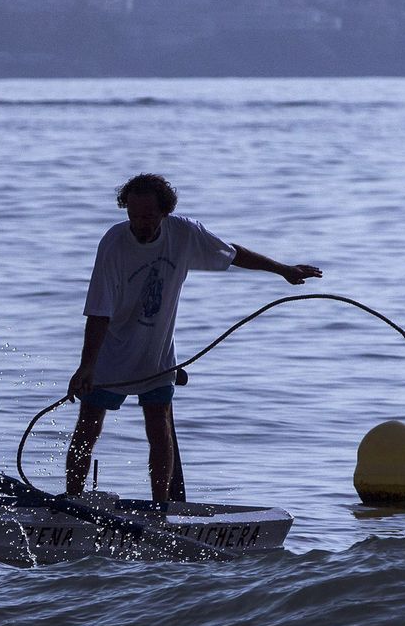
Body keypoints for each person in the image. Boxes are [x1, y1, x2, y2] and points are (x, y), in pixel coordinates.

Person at [64, 174, 323, 504]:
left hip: (156, 356)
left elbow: (232, 253)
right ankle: (70, 505)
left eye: (147, 216)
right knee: (88, 429)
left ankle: (162, 509)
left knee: (159, 429)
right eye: (132, 214)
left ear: (164, 213)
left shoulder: (183, 233)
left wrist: (283, 269)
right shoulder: (114, 244)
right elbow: (99, 310)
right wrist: (86, 367)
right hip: (110, 354)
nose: (139, 223)